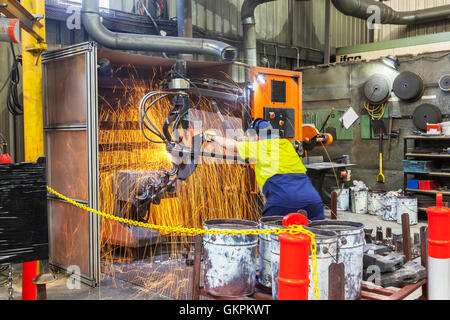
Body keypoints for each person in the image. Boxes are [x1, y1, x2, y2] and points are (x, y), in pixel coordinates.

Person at [203, 120, 325, 221]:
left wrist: (213, 137)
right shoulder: (286, 144)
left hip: (284, 200)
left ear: (256, 137)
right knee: (312, 243)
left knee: (272, 244)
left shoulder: (258, 146)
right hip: (313, 200)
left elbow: (233, 146)